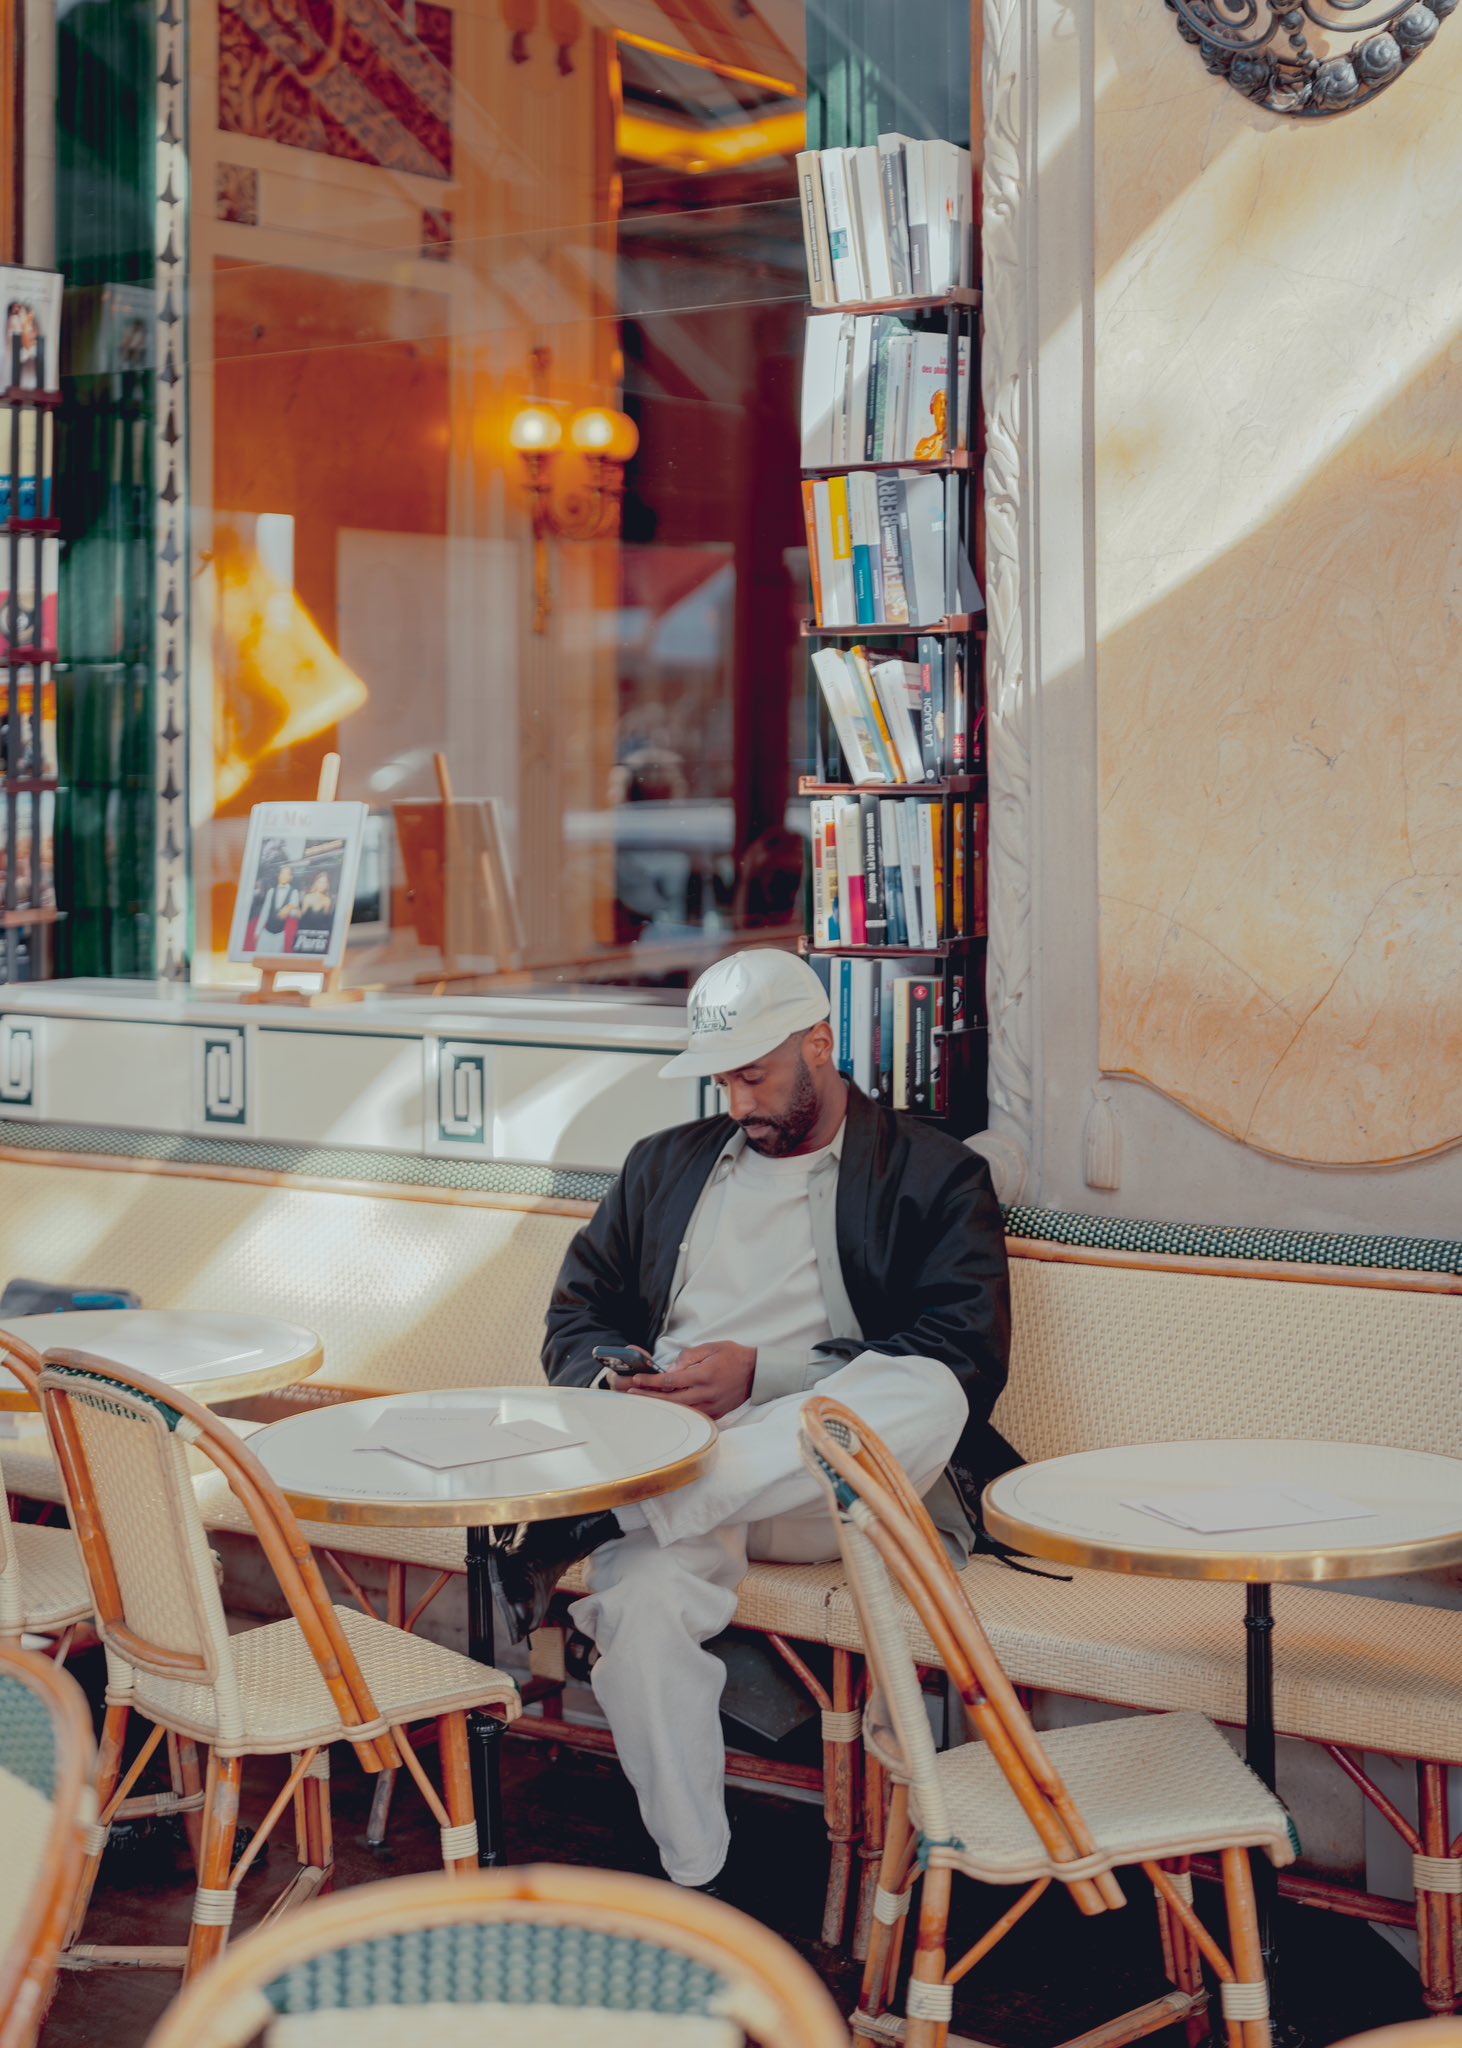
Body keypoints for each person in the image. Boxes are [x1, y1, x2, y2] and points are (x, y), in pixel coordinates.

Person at [492, 948, 1013, 1894]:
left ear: (820, 1041)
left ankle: (616, 1508)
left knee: (930, 1388)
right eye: (720, 1080)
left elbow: (966, 1351)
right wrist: (620, 1383)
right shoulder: (666, 1167)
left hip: (833, 1495)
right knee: (641, 1611)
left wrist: (760, 1374)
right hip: (689, 1469)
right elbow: (578, 1315)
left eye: (752, 1076)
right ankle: (696, 1875)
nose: (734, 1102)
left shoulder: (936, 1176)